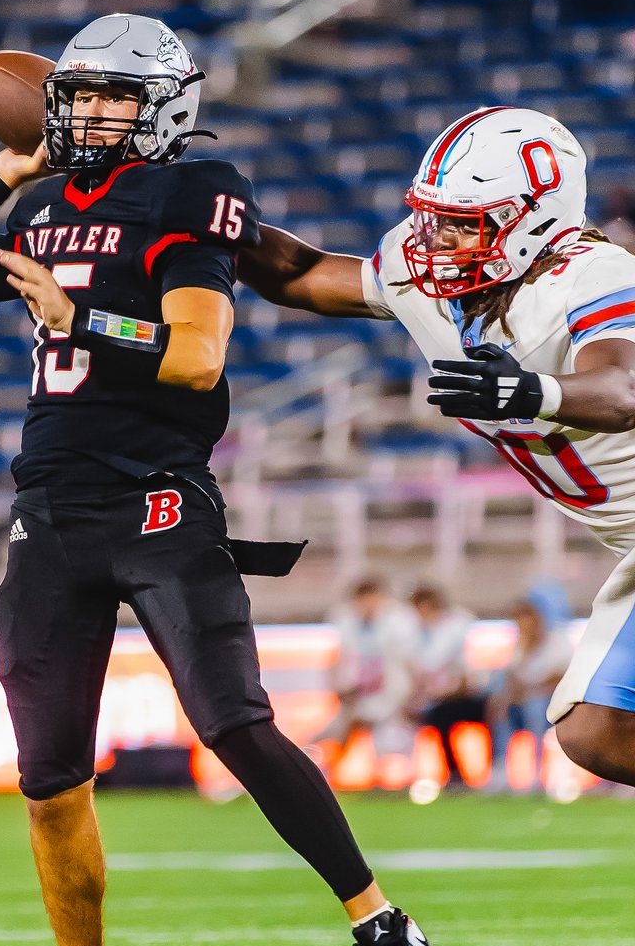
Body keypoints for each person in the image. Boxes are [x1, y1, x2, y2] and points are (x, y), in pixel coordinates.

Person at [0, 13, 451, 946]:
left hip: (158, 498)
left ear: (166, 106)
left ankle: (382, 924)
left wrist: (81, 318)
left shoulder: (192, 192)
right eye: (78, 95)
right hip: (49, 508)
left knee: (233, 722)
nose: (88, 113)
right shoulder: (45, 204)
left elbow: (196, 359)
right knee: (49, 775)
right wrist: (3, 173)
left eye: (113, 95)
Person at [241, 104, 635, 792]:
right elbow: (298, 274)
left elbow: (623, 388)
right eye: (434, 215)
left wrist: (532, 392)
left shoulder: (591, 273)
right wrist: (208, 221)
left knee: (594, 727)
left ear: (535, 218)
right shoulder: (419, 271)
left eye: (463, 221)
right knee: (596, 730)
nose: (438, 236)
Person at [486, 598, 573, 790]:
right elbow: (513, 678)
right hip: (522, 703)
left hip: (550, 703)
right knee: (501, 708)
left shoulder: (555, 641)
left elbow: (559, 677)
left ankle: (537, 772)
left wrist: (532, 690)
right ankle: (500, 770)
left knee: (536, 706)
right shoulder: (519, 647)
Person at [326, 578, 417, 753]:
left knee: (391, 746)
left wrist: (410, 696)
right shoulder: (347, 623)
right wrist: (341, 688)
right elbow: (339, 662)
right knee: (335, 738)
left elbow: (409, 663)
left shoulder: (399, 623)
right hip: (356, 696)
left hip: (393, 697)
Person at [407, 585, 484, 787]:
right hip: (442, 697)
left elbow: (434, 663)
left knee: (441, 716)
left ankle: (458, 773)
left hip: (469, 695)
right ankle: (451, 772)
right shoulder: (424, 633)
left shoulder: (454, 627)